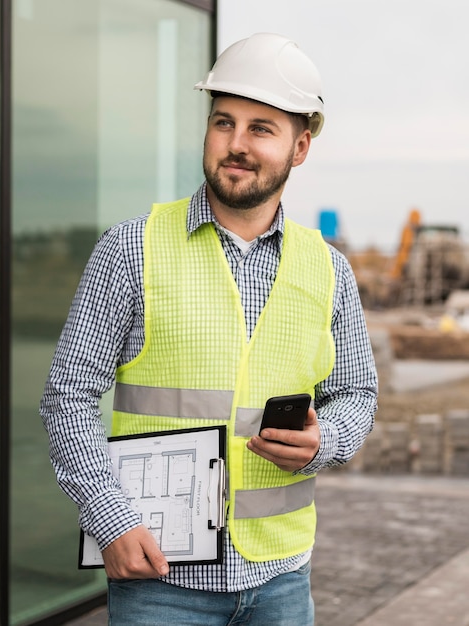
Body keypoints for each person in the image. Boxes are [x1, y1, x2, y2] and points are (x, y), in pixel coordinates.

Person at [40, 32, 377, 626]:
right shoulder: (130, 249)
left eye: (261, 129)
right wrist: (109, 517)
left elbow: (357, 393)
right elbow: (66, 398)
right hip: (160, 580)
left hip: (282, 577)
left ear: (299, 148)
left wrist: (326, 441)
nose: (236, 145)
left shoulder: (329, 269)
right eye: (224, 122)